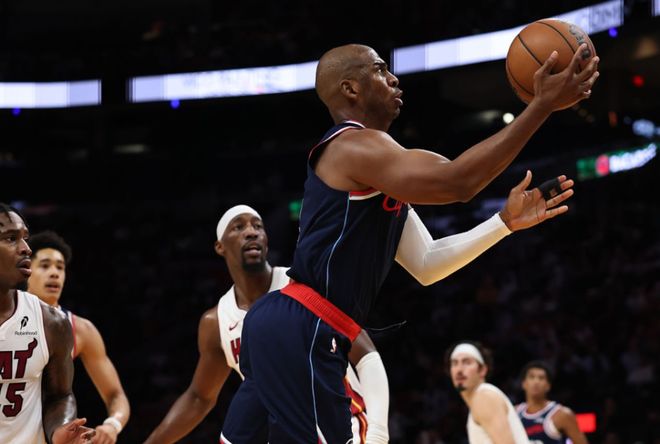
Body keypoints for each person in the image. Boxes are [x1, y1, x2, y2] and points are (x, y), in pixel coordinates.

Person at [222, 43, 598, 443]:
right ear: (350, 89)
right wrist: (540, 106)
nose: (394, 78)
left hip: (290, 325)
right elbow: (458, 182)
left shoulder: (378, 172)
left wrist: (502, 224)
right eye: (380, 70)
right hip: (304, 324)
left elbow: (427, 263)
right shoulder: (350, 145)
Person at [145, 205, 389, 444]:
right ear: (220, 246)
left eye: (257, 226)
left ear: (267, 241)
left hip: (345, 429)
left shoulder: (303, 284)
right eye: (238, 227)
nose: (251, 232)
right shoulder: (216, 322)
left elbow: (364, 352)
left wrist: (378, 433)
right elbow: (199, 398)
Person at [0, 202, 95, 444]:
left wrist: (60, 428)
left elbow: (59, 396)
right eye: (11, 238)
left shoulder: (52, 322)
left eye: (25, 238)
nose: (26, 249)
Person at [26, 231, 130, 444]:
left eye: (60, 267)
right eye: (45, 266)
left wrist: (113, 424)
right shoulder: (7, 318)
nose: (54, 273)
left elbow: (116, 394)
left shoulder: (81, 329)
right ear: (26, 271)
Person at [447, 341, 529, 444]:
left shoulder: (484, 397)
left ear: (483, 370)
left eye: (467, 362)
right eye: (454, 363)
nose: (459, 369)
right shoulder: (480, 398)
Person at [516, 361, 588, 444]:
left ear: (548, 386)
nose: (536, 381)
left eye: (541, 378)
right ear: (524, 383)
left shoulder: (562, 414)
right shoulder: (514, 412)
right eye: (532, 377)